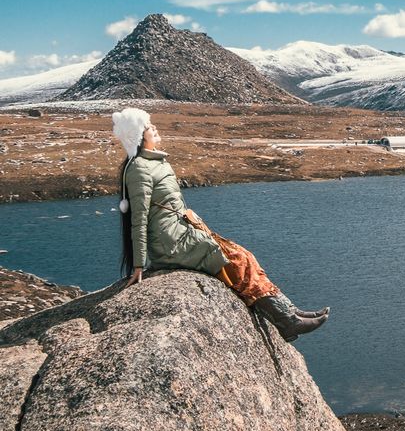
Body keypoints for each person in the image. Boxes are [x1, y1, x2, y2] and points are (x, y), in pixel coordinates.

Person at [112, 107, 329, 342]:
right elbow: (139, 218)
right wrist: (138, 265)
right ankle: (287, 321)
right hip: (169, 242)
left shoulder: (155, 162)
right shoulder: (139, 169)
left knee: (244, 255)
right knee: (235, 259)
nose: (154, 128)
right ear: (137, 137)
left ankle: (289, 312)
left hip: (180, 230)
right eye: (148, 127)